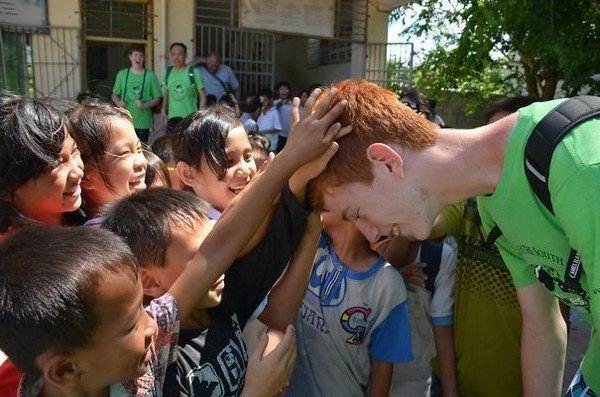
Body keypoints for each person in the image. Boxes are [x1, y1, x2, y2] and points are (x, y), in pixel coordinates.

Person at [0, 85, 350, 397]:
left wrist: (291, 168)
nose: (154, 321)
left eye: (74, 152)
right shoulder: (144, 369)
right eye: (132, 322)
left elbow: (212, 255)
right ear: (64, 370)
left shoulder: (142, 334)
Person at [309, 79, 600, 396]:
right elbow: (542, 324)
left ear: (386, 162)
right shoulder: (491, 199)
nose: (370, 233)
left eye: (358, 212)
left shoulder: (578, 162)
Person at [102, 188, 321, 396]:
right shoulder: (157, 363)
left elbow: (277, 305)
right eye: (202, 255)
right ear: (148, 280)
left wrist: (310, 230)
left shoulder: (220, 303)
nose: (220, 262)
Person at [285, 211, 413, 396]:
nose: (317, 197)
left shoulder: (387, 285)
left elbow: (381, 373)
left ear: (359, 211)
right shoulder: (309, 242)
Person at [69, 101, 147, 226]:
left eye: (139, 150)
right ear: (85, 177)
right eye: (125, 153)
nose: (141, 162)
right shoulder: (96, 237)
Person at [111, 45, 162, 143]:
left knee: (141, 150)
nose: (138, 58)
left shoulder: (150, 76)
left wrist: (145, 105)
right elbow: (114, 94)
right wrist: (118, 102)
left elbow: (158, 98)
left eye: (141, 55)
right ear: (130, 57)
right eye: (135, 55)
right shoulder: (122, 74)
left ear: (144, 58)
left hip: (144, 122)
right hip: (125, 121)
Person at [162, 42, 207, 134]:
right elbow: (166, 94)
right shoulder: (168, 72)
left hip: (190, 120)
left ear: (185, 55)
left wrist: (200, 113)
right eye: (173, 54)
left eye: (179, 54)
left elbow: (202, 95)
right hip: (172, 120)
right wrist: (163, 110)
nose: (176, 57)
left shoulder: (193, 72)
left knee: (189, 147)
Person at [275, 81, 293, 152]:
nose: (284, 91)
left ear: (289, 91)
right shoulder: (275, 103)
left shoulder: (292, 104)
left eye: (286, 89)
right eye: (281, 89)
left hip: (290, 134)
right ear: (278, 91)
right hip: (279, 135)